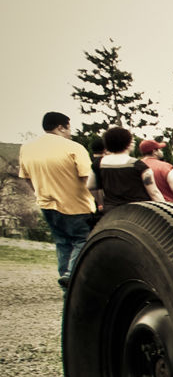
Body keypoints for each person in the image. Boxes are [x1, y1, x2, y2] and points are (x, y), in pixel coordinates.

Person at [17, 111, 97, 289]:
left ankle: (65, 281)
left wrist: (38, 193)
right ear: (61, 127)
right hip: (76, 205)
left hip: (46, 204)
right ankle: (71, 275)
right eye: (69, 127)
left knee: (62, 243)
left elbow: (26, 177)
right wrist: (95, 199)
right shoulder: (74, 147)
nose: (70, 132)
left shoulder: (27, 148)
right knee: (81, 240)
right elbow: (87, 178)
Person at [93, 128, 166, 209]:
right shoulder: (139, 165)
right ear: (128, 144)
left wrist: (101, 204)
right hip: (138, 213)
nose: (134, 143)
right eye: (132, 141)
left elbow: (91, 186)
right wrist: (165, 210)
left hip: (111, 212)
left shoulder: (99, 164)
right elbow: (154, 193)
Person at [137, 139, 173, 204]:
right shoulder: (165, 167)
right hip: (168, 208)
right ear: (154, 152)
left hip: (143, 209)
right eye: (160, 149)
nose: (162, 152)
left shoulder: (135, 167)